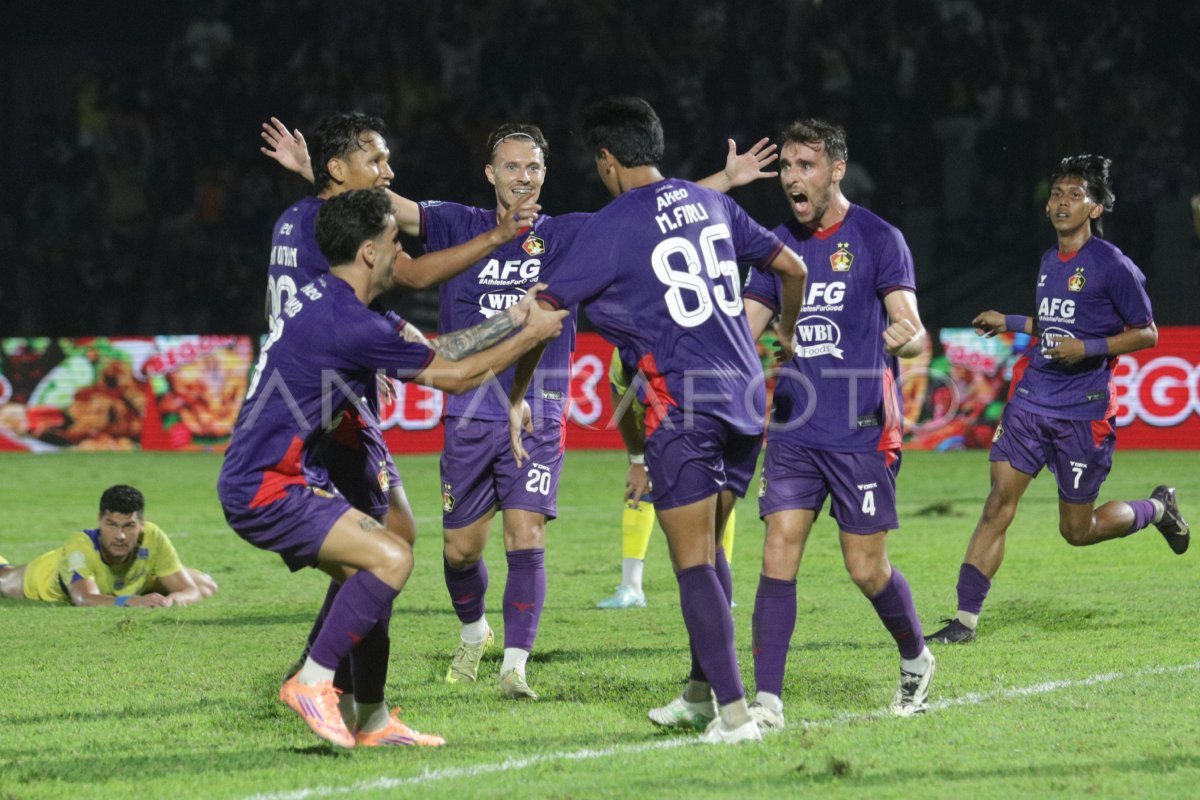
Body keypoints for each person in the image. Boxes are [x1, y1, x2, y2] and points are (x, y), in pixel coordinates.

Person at [263, 115, 779, 699]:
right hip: (469, 407)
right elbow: (381, 204)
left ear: (545, 173)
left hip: (540, 402)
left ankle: (515, 666)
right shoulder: (456, 223)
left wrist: (725, 181)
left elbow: (655, 212)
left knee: (525, 534)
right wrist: (315, 173)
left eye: (533, 167)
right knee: (460, 551)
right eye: (511, 166)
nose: (523, 176)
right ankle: (473, 630)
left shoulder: (571, 233)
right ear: (491, 173)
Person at [217, 187, 565, 748]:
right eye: (394, 243)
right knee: (392, 557)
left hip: (284, 476)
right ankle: (312, 681)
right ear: (369, 253)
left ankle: (373, 720)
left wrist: (512, 318)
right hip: (268, 487)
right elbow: (458, 378)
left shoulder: (335, 302)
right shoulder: (349, 323)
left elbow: (445, 350)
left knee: (371, 574)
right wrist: (530, 334)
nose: (403, 254)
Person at [508, 97, 808, 744]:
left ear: (607, 159)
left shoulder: (610, 226)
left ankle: (735, 716)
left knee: (693, 561)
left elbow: (545, 317)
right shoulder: (709, 203)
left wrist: (516, 393)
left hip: (683, 407)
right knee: (712, 546)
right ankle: (701, 695)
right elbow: (793, 267)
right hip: (745, 399)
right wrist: (785, 330)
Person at [261, 112, 538, 717]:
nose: (389, 173)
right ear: (341, 169)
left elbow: (323, 265)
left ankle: (328, 676)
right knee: (386, 545)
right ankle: (336, 686)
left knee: (388, 537)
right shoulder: (334, 226)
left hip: (320, 392)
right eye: (377, 161)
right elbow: (409, 275)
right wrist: (497, 243)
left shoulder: (294, 219)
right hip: (331, 407)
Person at [926, 154, 1189, 645]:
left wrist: (1086, 349)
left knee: (1077, 531)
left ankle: (1157, 509)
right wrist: (1010, 321)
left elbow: (1147, 333)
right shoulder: (1050, 260)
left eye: (1074, 195)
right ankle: (964, 621)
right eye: (1056, 194)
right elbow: (1055, 325)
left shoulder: (1113, 266)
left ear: (1095, 208)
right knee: (997, 505)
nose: (1062, 202)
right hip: (1031, 401)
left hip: (1082, 412)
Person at [740, 119, 934, 730]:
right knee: (778, 549)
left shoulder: (878, 238)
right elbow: (746, 328)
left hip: (861, 427)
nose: (792, 178)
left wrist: (905, 338)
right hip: (794, 425)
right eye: (786, 166)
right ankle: (767, 700)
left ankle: (916, 656)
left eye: (806, 165)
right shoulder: (775, 245)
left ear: (837, 170)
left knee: (865, 568)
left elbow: (910, 325)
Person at [595, 347, 738, 610]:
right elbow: (620, 396)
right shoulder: (624, 350)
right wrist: (637, 459)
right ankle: (631, 586)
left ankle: (721, 584)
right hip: (650, 419)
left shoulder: (699, 343)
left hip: (700, 418)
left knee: (717, 491)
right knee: (640, 487)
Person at [0, 485, 216, 607]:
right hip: (43, 576)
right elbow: (84, 598)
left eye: (129, 526)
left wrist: (173, 600)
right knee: (3, 579)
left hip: (120, 582)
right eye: (111, 525)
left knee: (206, 584)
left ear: (141, 524)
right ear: (99, 521)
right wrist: (132, 602)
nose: (120, 536)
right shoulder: (80, 546)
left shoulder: (152, 537)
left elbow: (191, 591)